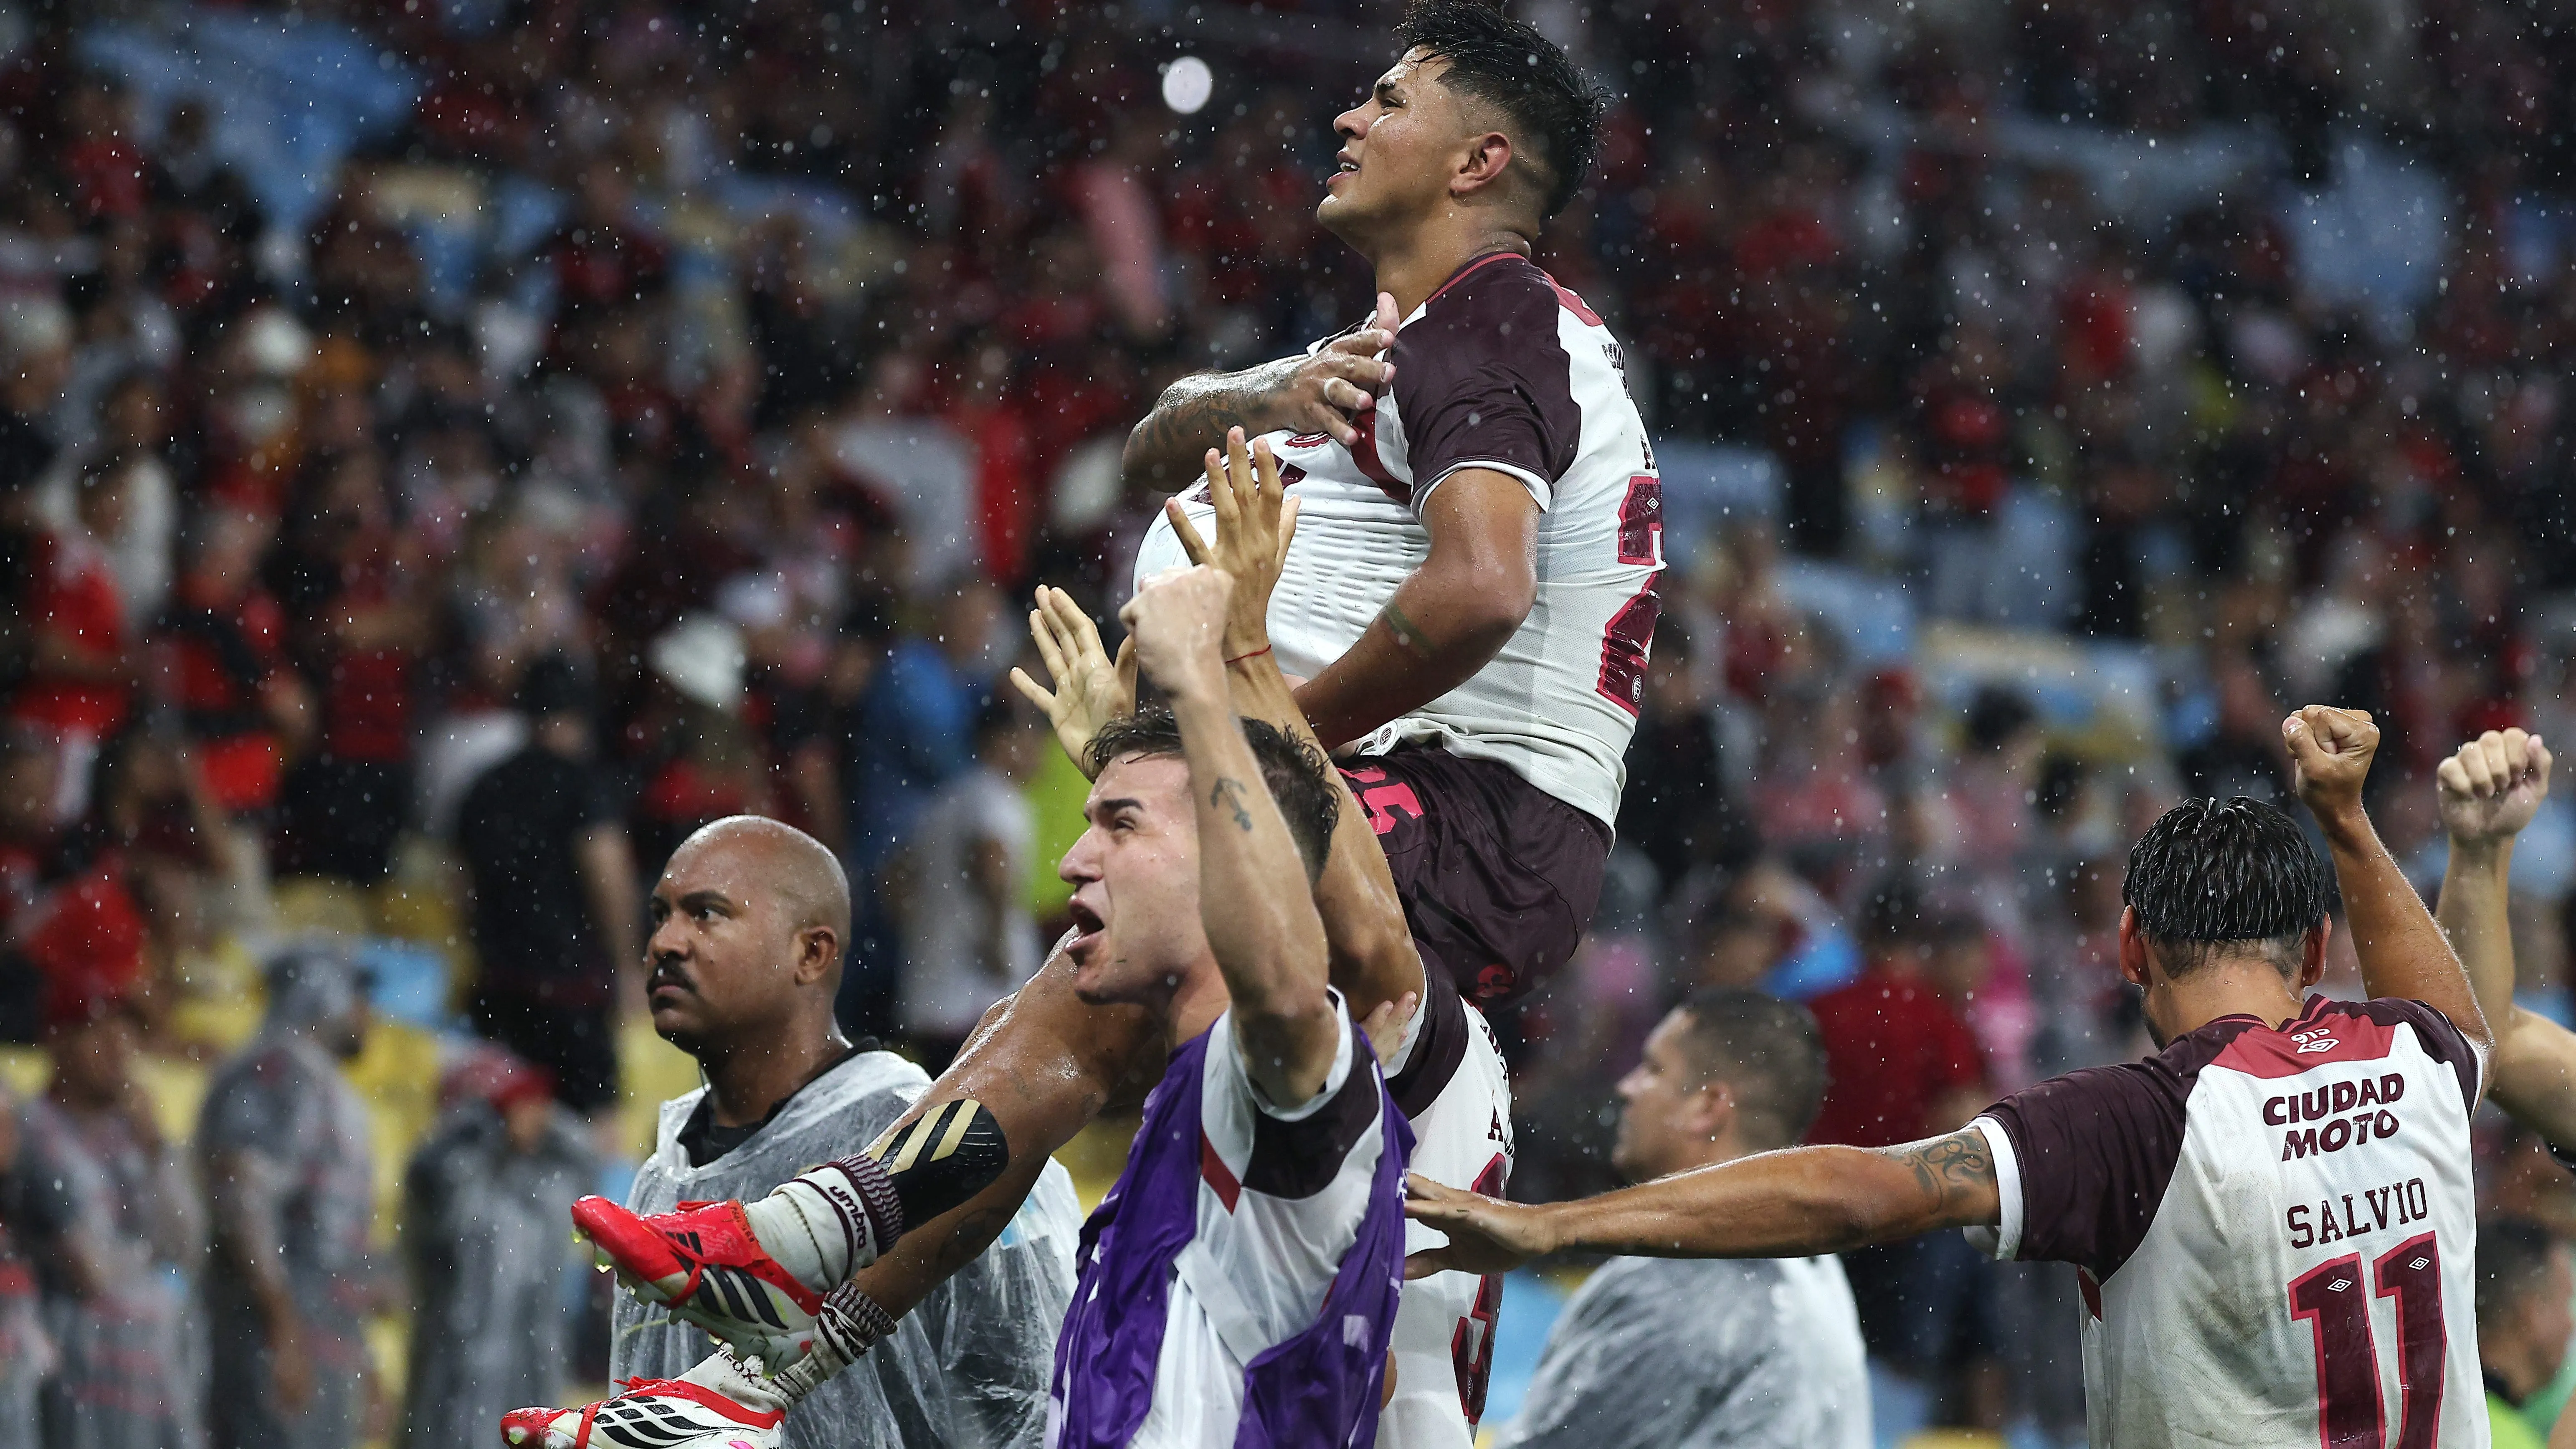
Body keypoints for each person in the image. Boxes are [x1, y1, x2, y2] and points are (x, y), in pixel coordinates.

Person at [561, 436, 1502, 1449]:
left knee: (1053, 1022)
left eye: (1119, 825)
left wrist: (1226, 655)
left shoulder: (1324, 1032)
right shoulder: (1183, 1117)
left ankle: (800, 1284)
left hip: (1396, 1377)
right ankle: (776, 1352)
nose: (1070, 859)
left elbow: (1321, 930)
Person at [1406, 706, 2496, 1449]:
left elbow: (1863, 1192)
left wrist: (1554, 1228)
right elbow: (2457, 1014)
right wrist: (2348, 817)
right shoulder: (2416, 1065)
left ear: (2128, 949)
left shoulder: (2140, 1121)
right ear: (2313, 953)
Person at [1128, 0, 1642, 1011]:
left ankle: (859, 1178)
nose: (1346, 120)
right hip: (1445, 805)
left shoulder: (1489, 326)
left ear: (1476, 163)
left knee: (1132, 940)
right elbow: (1155, 443)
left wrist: (1265, 747)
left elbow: (1483, 589)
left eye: (1388, 100)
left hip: (1468, 811)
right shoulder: (1397, 344)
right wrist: (1260, 393)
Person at [502, 816, 1078, 1449]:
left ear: (812, 952)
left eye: (706, 914)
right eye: (660, 914)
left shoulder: (946, 1138)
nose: (666, 941)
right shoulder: (662, 1174)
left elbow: (1041, 1403)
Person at [1496, 988, 1867, 1449]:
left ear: (1707, 1107)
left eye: (1653, 1068)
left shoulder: (1686, 1282)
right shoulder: (1814, 1266)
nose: (1626, 1087)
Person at [198, 944, 380, 1449]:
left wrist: (361, 1359)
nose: (368, 1015)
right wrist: (282, 1328)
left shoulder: (322, 1082)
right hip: (272, 1334)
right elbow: (244, 1200)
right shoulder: (275, 1072)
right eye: (358, 997)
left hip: (321, 1332)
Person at [454, 654, 642, 1119]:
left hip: (501, 985)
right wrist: (627, 964)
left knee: (511, 1119)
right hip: (571, 989)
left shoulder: (484, 786)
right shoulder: (584, 785)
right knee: (596, 1121)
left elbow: (461, 888)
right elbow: (609, 880)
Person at [20, 988, 204, 1449]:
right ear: (59, 1041)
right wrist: (158, 1270)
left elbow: (187, 1247)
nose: (118, 1048)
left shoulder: (138, 1137)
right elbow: (90, 1271)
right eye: (99, 1031)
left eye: (127, 1033)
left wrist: (158, 1152)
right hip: (80, 1376)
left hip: (157, 1377)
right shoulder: (31, 1132)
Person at [399, 1048, 598, 1449]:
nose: (535, 1115)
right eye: (520, 1105)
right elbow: (431, 1172)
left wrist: (537, 1114)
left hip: (530, 1372)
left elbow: (587, 1156)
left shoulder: (544, 1179)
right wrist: (482, 1119)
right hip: (454, 1376)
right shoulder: (456, 1179)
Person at [889, 693, 1047, 1071]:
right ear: (998, 742)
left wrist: (922, 934)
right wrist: (996, 942)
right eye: (1031, 737)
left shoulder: (943, 800)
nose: (1040, 750)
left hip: (931, 989)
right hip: (979, 993)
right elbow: (991, 862)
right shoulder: (995, 798)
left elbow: (894, 877)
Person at [2475, 1219, 2570, 1449]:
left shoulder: (2445, 1416)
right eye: (2567, 1302)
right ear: (2532, 1311)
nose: (2571, 1324)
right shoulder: (2502, 1439)